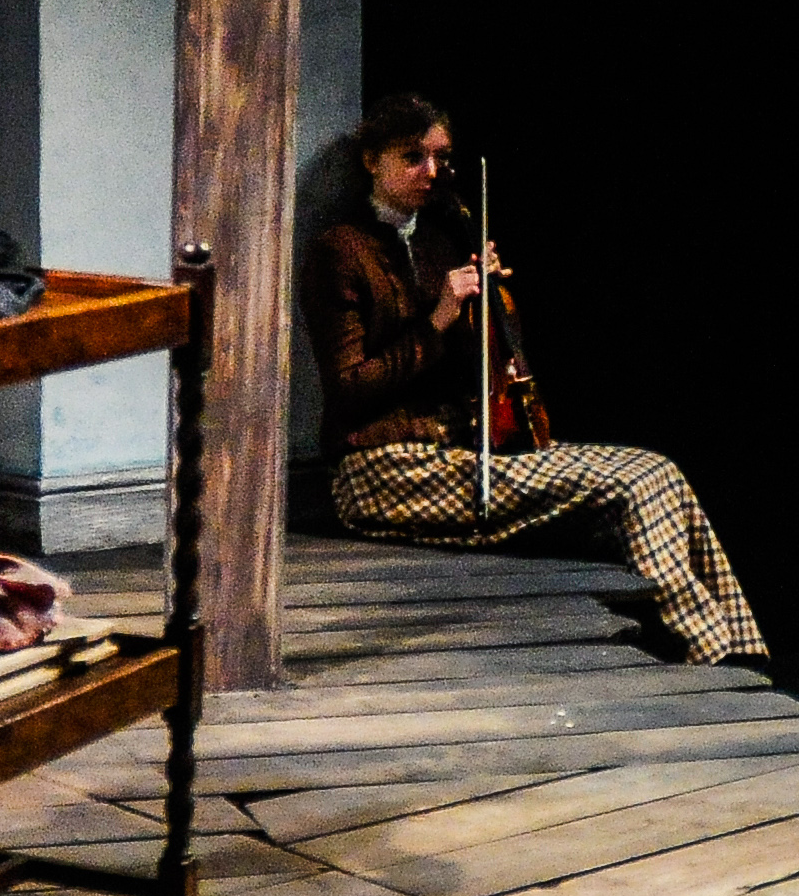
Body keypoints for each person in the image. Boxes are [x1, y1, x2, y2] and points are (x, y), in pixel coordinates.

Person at [300, 93, 768, 666]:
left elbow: (487, 369)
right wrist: (439, 317)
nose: (431, 172)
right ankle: (710, 651)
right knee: (630, 485)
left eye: (440, 157)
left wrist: (492, 304)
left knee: (657, 471)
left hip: (456, 451)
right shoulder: (340, 252)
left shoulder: (441, 243)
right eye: (412, 157)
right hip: (381, 468)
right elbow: (349, 387)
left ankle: (742, 646)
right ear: (372, 160)